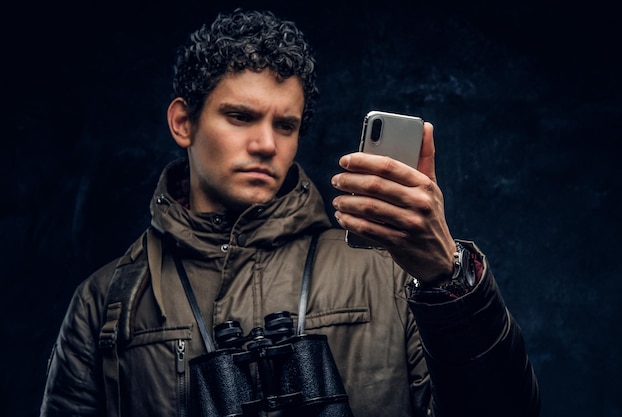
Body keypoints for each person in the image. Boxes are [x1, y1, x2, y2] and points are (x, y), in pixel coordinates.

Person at [40, 8, 540, 417]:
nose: (264, 144)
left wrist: (448, 279)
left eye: (286, 125)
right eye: (239, 117)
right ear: (183, 122)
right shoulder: (105, 303)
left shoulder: (389, 272)